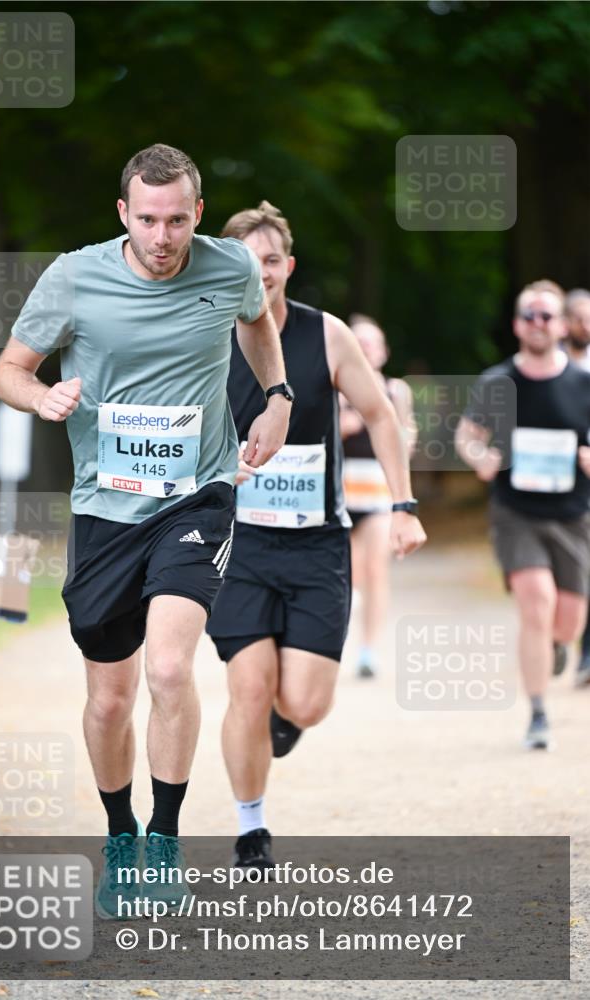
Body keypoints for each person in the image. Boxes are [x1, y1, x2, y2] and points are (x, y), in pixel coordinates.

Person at [0, 145, 291, 918]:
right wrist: (40, 399)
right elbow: (9, 370)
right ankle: (119, 832)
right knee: (109, 697)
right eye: (148, 219)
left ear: (197, 212)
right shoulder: (74, 276)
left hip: (196, 496)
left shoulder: (226, 267)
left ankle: (164, 838)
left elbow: (257, 325)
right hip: (103, 508)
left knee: (166, 670)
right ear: (124, 214)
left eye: (178, 219)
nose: (163, 236)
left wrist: (278, 394)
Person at [206, 202, 426, 870]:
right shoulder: (203, 334)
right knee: (247, 687)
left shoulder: (325, 335)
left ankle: (285, 717)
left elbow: (381, 418)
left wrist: (402, 503)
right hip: (235, 544)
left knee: (303, 700)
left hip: (315, 545)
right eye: (245, 259)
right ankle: (251, 830)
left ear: (287, 267)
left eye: (270, 260)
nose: (260, 271)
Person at [455, 280, 590, 751]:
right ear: (517, 325)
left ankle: (554, 647)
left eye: (547, 316)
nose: (538, 323)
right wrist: (480, 458)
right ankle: (538, 712)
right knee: (536, 602)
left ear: (562, 325)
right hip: (516, 511)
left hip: (574, 514)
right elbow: (466, 436)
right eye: (529, 315)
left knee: (569, 621)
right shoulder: (498, 382)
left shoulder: (583, 382)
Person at [340, 315, 416, 678]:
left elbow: (406, 434)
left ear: (383, 352)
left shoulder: (397, 390)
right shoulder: (335, 385)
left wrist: (404, 438)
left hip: (377, 494)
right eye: (360, 341)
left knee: (375, 569)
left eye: (372, 342)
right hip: (339, 493)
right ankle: (336, 635)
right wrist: (345, 424)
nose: (366, 348)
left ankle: (369, 650)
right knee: (346, 573)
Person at [564, 288, 590, 686]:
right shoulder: (542, 368)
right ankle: (557, 637)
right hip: (541, 492)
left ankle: (586, 653)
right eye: (582, 317)